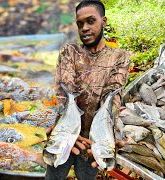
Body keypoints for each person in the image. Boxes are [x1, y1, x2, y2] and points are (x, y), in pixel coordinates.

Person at [45, 0, 130, 179]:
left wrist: (108, 134)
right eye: (80, 23)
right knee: (54, 174)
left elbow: (112, 95)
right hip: (65, 135)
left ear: (103, 21)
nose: (84, 28)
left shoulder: (119, 57)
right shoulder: (70, 52)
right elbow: (65, 93)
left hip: (95, 140)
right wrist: (65, 132)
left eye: (91, 21)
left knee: (86, 176)